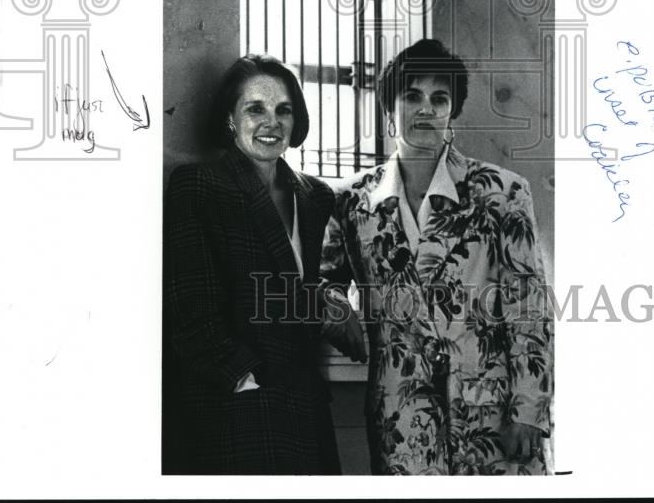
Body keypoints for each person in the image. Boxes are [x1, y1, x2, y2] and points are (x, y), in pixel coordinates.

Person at [320, 38, 553, 475]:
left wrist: (529, 409)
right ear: (390, 108)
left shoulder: (503, 193)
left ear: (452, 112)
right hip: (402, 418)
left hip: (496, 417)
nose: (425, 109)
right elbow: (325, 278)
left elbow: (530, 308)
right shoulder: (349, 201)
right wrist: (336, 307)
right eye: (412, 96)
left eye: (439, 98)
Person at [163, 54, 363, 474]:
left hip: (305, 406)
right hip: (234, 407)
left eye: (283, 110)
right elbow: (190, 312)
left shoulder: (316, 196)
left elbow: (319, 281)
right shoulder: (198, 187)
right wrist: (244, 383)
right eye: (255, 108)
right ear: (231, 119)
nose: (271, 122)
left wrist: (333, 300)